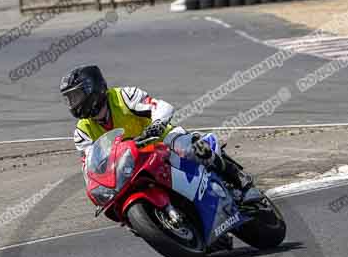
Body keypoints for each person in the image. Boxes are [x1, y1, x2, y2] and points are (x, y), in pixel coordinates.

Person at [60, 65, 262, 205]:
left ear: (93, 88)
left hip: (162, 141)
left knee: (190, 148)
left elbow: (162, 106)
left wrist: (156, 126)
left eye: (76, 96)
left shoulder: (123, 96)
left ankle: (241, 182)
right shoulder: (82, 131)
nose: (73, 104)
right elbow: (89, 167)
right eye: (69, 99)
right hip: (129, 164)